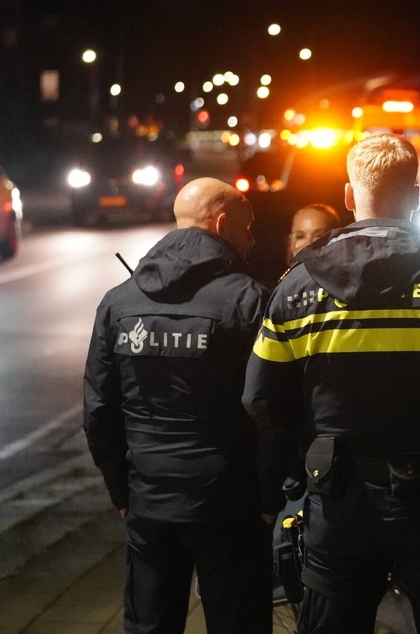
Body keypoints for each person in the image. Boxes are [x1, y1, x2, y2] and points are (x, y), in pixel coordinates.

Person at [243, 133, 420, 634]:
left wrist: (304, 459)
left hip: (337, 502)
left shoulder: (297, 285)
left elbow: (261, 399)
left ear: (349, 197)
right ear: (417, 195)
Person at [83, 177, 272, 634]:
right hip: (230, 505)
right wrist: (269, 497)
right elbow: (270, 408)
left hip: (149, 504)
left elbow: (97, 409)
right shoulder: (249, 300)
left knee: (150, 624)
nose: (252, 238)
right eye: (247, 227)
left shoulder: (120, 301)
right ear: (222, 222)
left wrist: (122, 492)